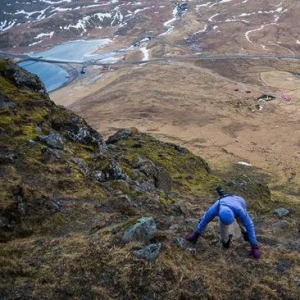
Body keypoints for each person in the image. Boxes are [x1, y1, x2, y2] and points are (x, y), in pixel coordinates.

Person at [186, 187, 261, 259]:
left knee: (243, 224)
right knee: (224, 233)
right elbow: (204, 220)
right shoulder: (215, 209)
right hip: (225, 206)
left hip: (238, 201)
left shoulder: (240, 210)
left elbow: (249, 224)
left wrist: (254, 246)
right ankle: (225, 243)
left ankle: (246, 234)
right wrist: (196, 234)